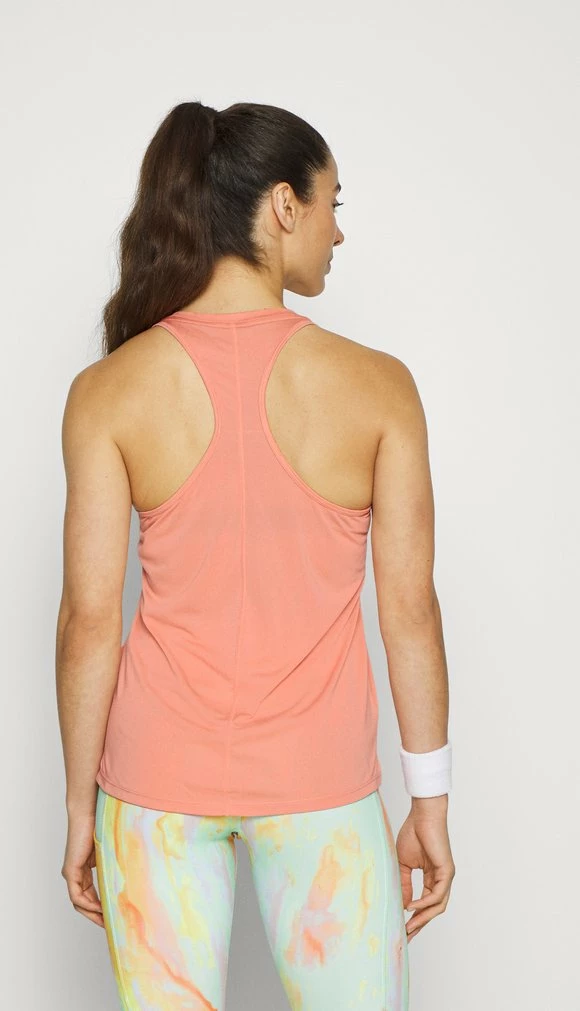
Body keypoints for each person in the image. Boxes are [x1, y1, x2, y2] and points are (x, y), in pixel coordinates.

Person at [55, 101, 454, 1010]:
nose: (337, 232)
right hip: (323, 786)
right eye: (331, 204)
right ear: (282, 204)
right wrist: (427, 798)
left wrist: (81, 805)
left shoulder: (109, 390)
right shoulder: (379, 387)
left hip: (152, 789)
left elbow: (88, 622)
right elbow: (410, 611)